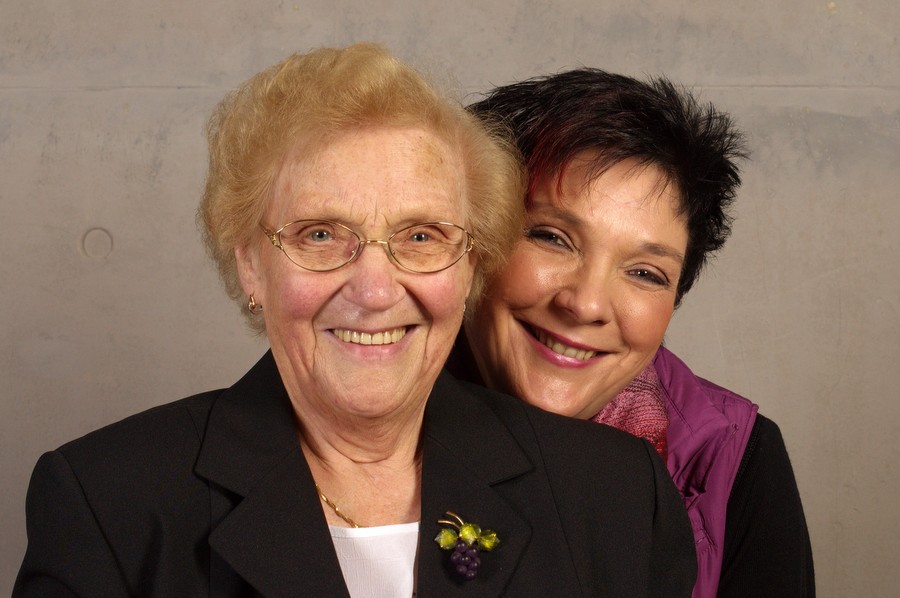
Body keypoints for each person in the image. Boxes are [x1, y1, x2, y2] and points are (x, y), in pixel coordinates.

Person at [14, 45, 697, 597]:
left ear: (471, 264)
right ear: (251, 265)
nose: (374, 290)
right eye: (320, 234)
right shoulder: (109, 501)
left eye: (421, 236)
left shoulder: (614, 496)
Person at [456, 69, 815, 597]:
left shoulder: (734, 459)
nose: (586, 305)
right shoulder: (363, 416)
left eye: (645, 273)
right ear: (470, 232)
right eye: (552, 238)